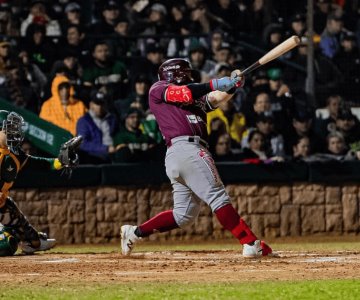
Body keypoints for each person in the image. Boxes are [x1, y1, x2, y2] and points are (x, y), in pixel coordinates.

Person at [120, 58, 273, 258]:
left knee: (183, 216)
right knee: (217, 197)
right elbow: (186, 92)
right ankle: (250, 243)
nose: (190, 76)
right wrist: (216, 82)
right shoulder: (158, 88)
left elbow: (215, 99)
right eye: (186, 73)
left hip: (184, 153)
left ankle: (135, 232)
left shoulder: (195, 99)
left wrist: (233, 85)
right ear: (175, 73)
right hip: (186, 149)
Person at [0, 110, 79, 255]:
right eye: (9, 129)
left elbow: (39, 164)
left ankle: (19, 234)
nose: (14, 133)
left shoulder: (14, 154)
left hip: (2, 205)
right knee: (6, 245)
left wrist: (60, 161)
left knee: (33, 242)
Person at [76, 90, 119, 164]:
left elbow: (118, 135)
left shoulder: (112, 118)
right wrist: (106, 148)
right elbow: (82, 144)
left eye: (102, 104)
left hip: (114, 153)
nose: (100, 107)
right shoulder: (84, 121)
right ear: (91, 105)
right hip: (94, 156)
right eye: (97, 104)